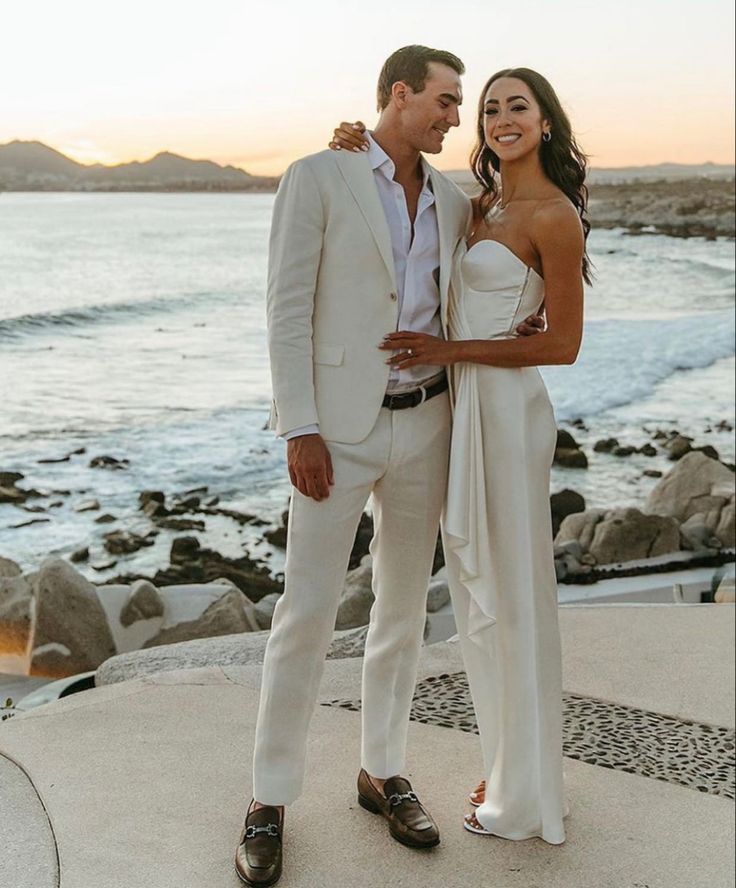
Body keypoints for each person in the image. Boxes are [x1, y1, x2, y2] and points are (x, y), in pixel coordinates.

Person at [330, 66, 589, 845]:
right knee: (477, 590)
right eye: (490, 109)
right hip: (463, 408)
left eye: (519, 107)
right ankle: (513, 761)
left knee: (513, 589)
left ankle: (527, 786)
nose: (502, 118)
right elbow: (392, 203)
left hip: (508, 415)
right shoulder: (475, 204)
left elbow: (565, 344)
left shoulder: (553, 216)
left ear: (546, 123)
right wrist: (351, 148)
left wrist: (449, 346)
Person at [235, 45, 472, 888]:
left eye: (459, 104)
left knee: (402, 613)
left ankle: (381, 772)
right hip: (336, 433)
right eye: (444, 100)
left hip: (429, 425)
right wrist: (299, 427)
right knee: (305, 614)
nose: (455, 115)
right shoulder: (318, 176)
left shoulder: (453, 195)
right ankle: (268, 800)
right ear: (399, 94)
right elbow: (286, 306)